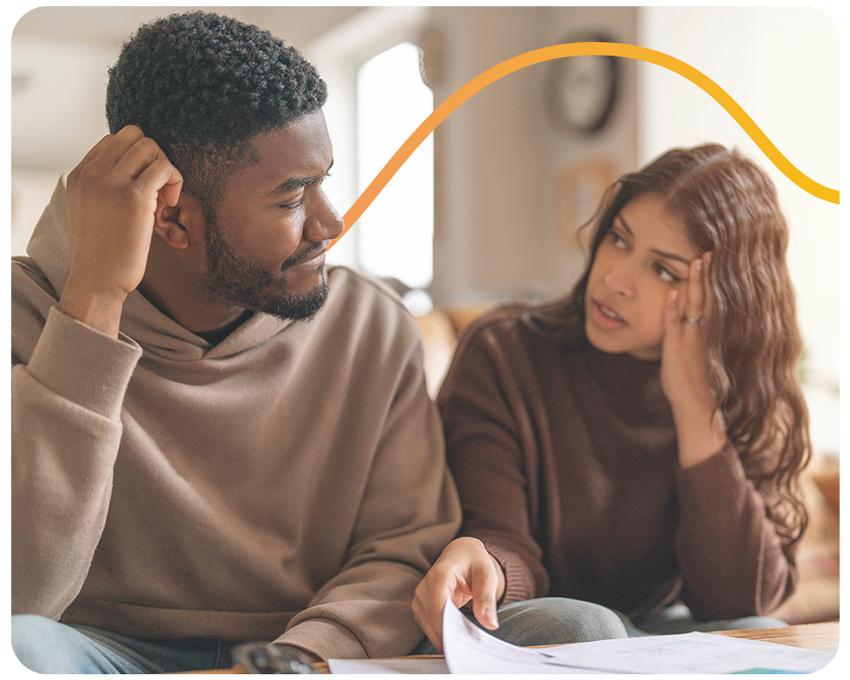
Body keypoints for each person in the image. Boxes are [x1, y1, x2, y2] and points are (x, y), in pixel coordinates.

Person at [11, 11, 461, 673]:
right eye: (291, 198)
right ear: (171, 216)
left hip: (310, 649)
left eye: (323, 181)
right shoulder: (21, 316)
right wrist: (92, 309)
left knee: (568, 624)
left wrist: (300, 659)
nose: (330, 225)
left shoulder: (371, 323)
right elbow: (21, 590)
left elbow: (403, 550)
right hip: (99, 653)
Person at [411, 144, 811, 652]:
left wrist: (694, 409)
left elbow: (739, 602)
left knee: (766, 638)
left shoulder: (740, 393)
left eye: (664, 270)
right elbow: (501, 540)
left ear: (726, 297)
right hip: (522, 626)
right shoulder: (503, 353)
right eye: (619, 240)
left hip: (643, 633)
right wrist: (484, 564)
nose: (616, 280)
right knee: (589, 628)